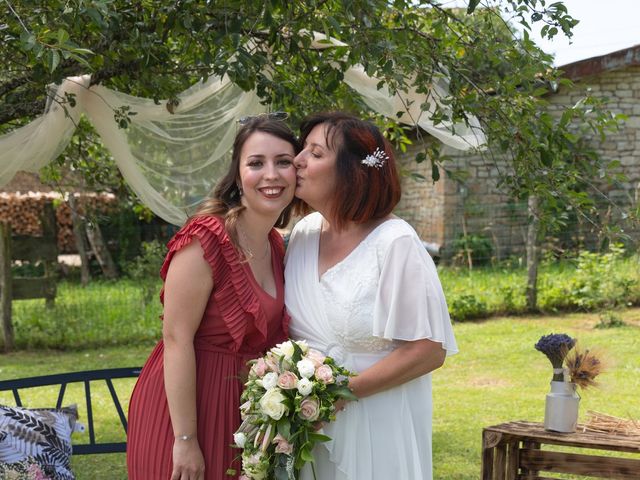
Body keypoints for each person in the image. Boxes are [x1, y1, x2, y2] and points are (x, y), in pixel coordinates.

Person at [285, 112, 458, 480]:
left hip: (377, 424)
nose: (297, 160)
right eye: (303, 149)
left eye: (315, 154)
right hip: (306, 428)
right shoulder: (302, 234)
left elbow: (429, 349)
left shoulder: (395, 243)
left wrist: (336, 396)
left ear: (351, 172)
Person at [127, 114, 299, 480]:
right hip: (187, 410)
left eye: (283, 162)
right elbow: (176, 339)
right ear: (238, 176)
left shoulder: (276, 245)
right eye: (256, 163)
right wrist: (185, 439)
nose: (271, 174)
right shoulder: (205, 239)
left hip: (242, 409)